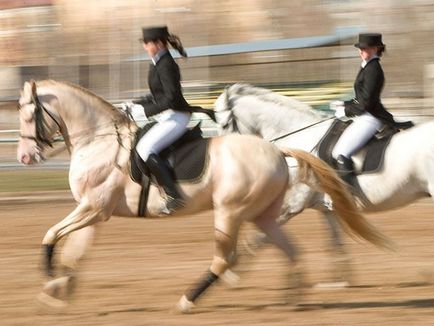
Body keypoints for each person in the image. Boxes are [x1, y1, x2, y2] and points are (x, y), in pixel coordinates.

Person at [130, 26, 212, 213]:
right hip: (168, 115)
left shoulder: (167, 64)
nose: (144, 46)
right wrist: (136, 104)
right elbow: (157, 95)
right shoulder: (157, 62)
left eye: (146, 43)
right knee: (142, 144)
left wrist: (144, 112)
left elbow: (171, 98)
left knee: (145, 149)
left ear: (158, 43)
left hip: (177, 116)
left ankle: (174, 196)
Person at [330, 33, 410, 183]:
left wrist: (346, 111)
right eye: (360, 48)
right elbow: (360, 97)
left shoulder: (373, 69)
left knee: (341, 153)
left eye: (365, 48)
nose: (361, 51)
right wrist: (344, 103)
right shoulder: (367, 66)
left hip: (370, 118)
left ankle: (350, 194)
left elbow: (366, 103)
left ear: (375, 49)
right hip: (365, 115)